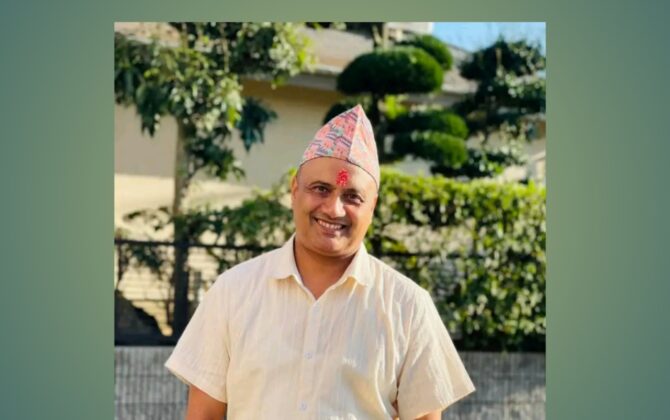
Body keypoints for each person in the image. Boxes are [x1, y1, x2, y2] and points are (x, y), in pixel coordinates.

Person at [165, 105, 475, 420]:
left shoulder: (407, 307)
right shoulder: (233, 292)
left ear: (373, 207)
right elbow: (204, 415)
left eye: (353, 197)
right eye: (321, 189)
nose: (334, 209)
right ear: (294, 190)